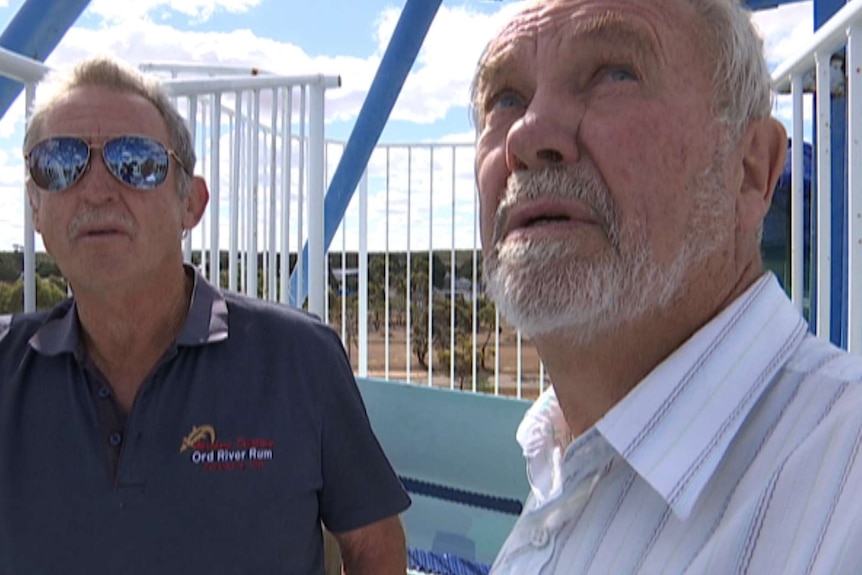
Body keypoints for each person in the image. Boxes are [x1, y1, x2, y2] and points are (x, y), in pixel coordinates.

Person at [471, 0, 862, 573]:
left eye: (614, 74)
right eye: (506, 98)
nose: (529, 134)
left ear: (751, 169)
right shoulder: (561, 456)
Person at [0, 55, 410, 574]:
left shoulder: (297, 358)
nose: (97, 189)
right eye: (60, 163)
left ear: (190, 204)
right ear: (36, 207)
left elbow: (373, 543)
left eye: (136, 161)